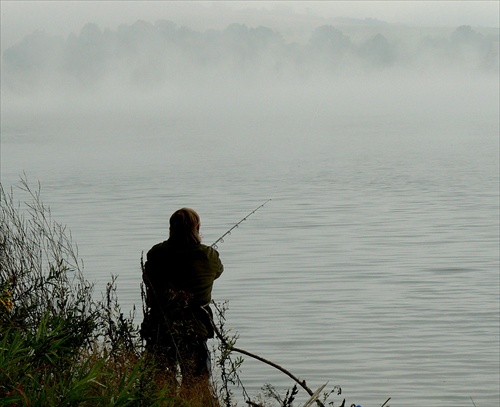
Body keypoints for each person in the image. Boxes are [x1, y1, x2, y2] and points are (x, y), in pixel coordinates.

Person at [141, 208, 223, 402]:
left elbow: (148, 276)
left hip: (160, 326)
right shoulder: (208, 255)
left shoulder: (157, 253)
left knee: (159, 383)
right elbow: (218, 272)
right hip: (195, 328)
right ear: (197, 228)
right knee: (196, 385)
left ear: (171, 228)